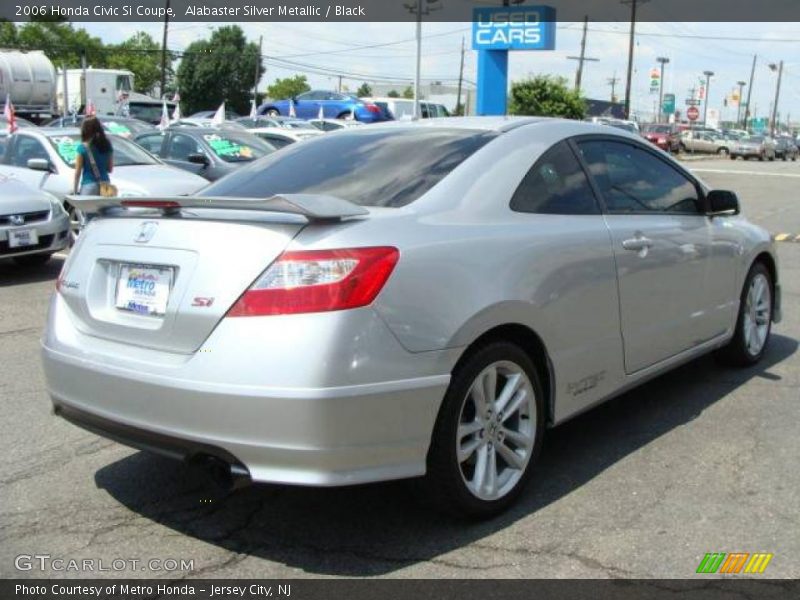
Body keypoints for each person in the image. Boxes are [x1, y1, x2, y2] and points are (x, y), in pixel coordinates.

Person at [72, 116, 113, 195]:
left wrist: (75, 191)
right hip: (105, 185)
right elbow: (110, 169)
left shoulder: (82, 148)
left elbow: (78, 172)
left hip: (89, 185)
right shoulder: (107, 145)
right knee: (105, 207)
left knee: (86, 207)